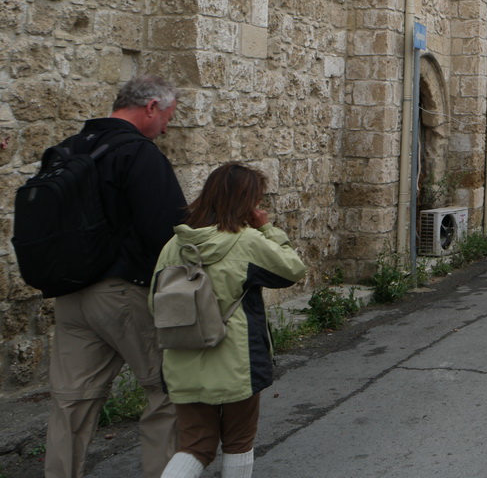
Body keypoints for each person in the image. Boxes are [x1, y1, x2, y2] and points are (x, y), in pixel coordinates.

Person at [45, 75, 187, 478]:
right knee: (166, 391)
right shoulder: (139, 154)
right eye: (168, 118)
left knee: (71, 400)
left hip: (69, 295)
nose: (166, 129)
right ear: (151, 108)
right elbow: (167, 232)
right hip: (124, 293)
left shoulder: (66, 150)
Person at [152, 163, 306, 478]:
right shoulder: (246, 241)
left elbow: (154, 303)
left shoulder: (175, 244)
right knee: (238, 442)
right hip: (237, 361)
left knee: (195, 446)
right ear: (246, 203)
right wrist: (267, 229)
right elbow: (292, 270)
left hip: (182, 359)